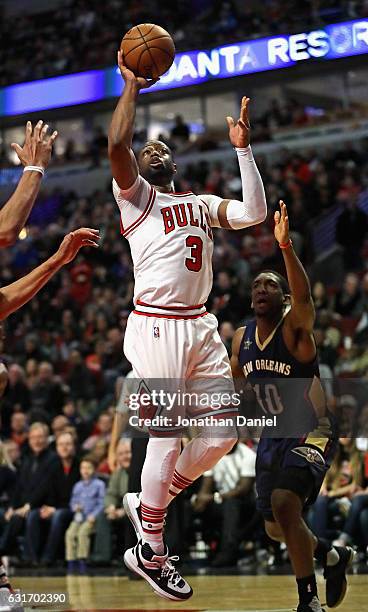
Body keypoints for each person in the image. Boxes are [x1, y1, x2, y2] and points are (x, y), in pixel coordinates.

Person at [108, 51, 267, 600]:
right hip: (156, 327)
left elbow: (253, 214)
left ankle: (151, 504)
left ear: (175, 166)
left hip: (200, 327)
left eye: (163, 148)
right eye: (147, 147)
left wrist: (243, 151)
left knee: (223, 436)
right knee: (166, 436)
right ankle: (151, 549)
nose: (155, 149)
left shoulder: (197, 203)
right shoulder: (137, 202)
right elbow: (116, 145)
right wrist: (131, 86)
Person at [230, 200, 354, 612]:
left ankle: (308, 602)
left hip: (313, 426)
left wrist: (285, 249)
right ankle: (333, 557)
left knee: (286, 505)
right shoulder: (241, 339)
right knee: (275, 527)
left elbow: (303, 297)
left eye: (270, 285)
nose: (261, 289)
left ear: (283, 299)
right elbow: (234, 386)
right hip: (273, 433)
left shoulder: (296, 328)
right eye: (256, 286)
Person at [25, 431, 79, 566]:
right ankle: (32, 558)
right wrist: (38, 506)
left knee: (58, 516)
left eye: (68, 444)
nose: (64, 447)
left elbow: (78, 496)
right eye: (61, 444)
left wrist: (54, 509)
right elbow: (45, 490)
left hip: (73, 508)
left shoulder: (80, 466)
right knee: (33, 515)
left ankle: (48, 558)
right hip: (55, 507)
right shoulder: (53, 466)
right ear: (56, 448)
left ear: (74, 446)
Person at [65, 458, 105, 574]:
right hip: (79, 517)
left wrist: (94, 515)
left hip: (91, 518)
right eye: (83, 468)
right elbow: (72, 501)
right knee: (70, 534)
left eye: (89, 468)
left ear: (94, 470)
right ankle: (71, 561)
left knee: (82, 533)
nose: (85, 471)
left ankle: (82, 559)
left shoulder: (99, 484)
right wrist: (74, 507)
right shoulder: (77, 486)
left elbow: (101, 503)